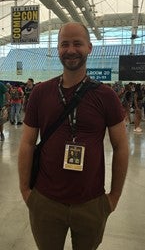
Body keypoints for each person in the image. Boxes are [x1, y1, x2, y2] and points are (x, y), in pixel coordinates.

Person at [18, 22, 129, 250]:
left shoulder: (106, 96)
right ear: (57, 49)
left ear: (89, 47)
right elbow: (28, 143)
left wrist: (113, 198)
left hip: (91, 203)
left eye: (77, 43)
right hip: (45, 202)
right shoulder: (41, 93)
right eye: (64, 44)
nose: (70, 50)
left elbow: (121, 147)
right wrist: (26, 192)